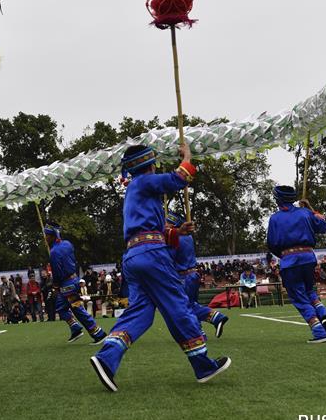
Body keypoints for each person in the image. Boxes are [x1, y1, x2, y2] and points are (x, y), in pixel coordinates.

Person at [91, 142, 230, 391]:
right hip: (153, 255)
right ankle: (202, 364)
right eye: (154, 164)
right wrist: (187, 156)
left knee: (141, 313)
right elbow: (179, 178)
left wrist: (176, 231)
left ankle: (107, 357)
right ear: (149, 165)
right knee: (178, 306)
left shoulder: (134, 191)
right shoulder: (145, 182)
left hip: (134, 256)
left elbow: (147, 231)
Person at [267, 186, 326, 344]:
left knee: (298, 295)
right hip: (309, 257)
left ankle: (318, 330)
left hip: (290, 260)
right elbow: (323, 226)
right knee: (309, 290)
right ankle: (323, 314)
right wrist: (309, 208)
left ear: (278, 199)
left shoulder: (275, 218)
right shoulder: (305, 212)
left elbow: (272, 244)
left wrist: (284, 255)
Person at [164, 212, 228, 337]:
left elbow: (168, 258)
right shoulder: (188, 237)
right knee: (191, 304)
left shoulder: (175, 239)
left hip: (183, 277)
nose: (165, 226)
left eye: (168, 223)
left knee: (184, 307)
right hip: (192, 275)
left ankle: (216, 317)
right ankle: (199, 332)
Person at [44, 221, 106, 344]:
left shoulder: (54, 253)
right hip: (73, 279)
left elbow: (57, 273)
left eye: (46, 235)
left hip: (66, 284)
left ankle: (98, 333)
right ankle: (75, 329)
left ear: (52, 236)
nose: (45, 238)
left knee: (77, 308)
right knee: (61, 307)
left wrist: (55, 286)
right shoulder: (67, 244)